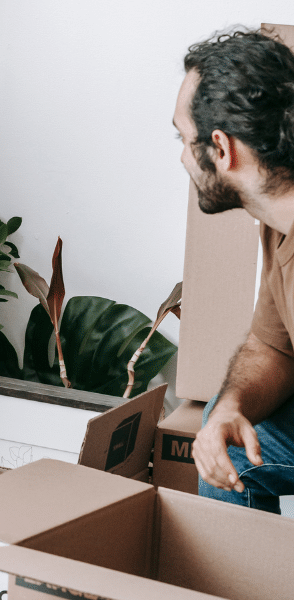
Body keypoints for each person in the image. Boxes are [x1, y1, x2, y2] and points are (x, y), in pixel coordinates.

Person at [173, 29, 294, 513]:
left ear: (222, 149)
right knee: (225, 447)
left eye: (183, 139)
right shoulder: (278, 220)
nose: (182, 156)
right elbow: (272, 343)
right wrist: (229, 408)